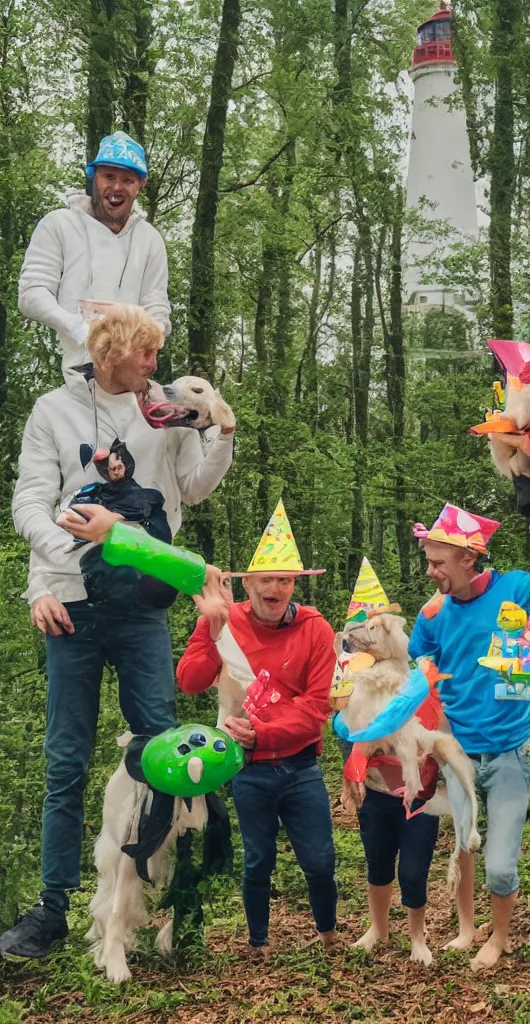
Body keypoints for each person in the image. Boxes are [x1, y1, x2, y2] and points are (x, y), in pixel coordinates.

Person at [0, 303, 233, 959]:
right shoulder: (53, 412)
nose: (157, 366)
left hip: (142, 605)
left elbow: (192, 486)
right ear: (111, 353)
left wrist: (224, 434)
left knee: (162, 756)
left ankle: (167, 906)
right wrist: (42, 585)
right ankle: (50, 914)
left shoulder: (166, 411)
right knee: (65, 762)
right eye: (147, 354)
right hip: (70, 605)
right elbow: (34, 502)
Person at [176, 501, 339, 953]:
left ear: (294, 586)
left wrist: (265, 732)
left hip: (301, 766)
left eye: (285, 580)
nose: (276, 588)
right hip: (247, 767)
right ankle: (258, 943)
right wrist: (212, 628)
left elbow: (316, 706)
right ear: (247, 584)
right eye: (266, 579)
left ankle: (328, 936)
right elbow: (189, 682)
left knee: (320, 861)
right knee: (258, 860)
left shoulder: (316, 629)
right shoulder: (225, 621)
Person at [407, 503, 530, 971]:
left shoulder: (518, 588)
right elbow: (418, 671)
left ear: (469, 558)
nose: (431, 571)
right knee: (465, 845)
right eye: (428, 561)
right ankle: (468, 929)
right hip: (457, 755)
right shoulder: (433, 614)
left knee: (500, 864)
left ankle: (499, 937)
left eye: (438, 562)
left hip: (508, 752)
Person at [337, 558, 443, 965]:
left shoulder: (413, 680)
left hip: (420, 793)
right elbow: (350, 730)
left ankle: (418, 936)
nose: (364, 638)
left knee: (414, 870)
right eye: (362, 631)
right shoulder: (354, 682)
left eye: (373, 631)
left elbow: (429, 729)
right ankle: (378, 929)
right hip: (378, 792)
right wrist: (353, 770)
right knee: (377, 862)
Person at [19, 131, 170, 367]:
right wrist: (76, 327)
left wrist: (155, 333)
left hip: (127, 374)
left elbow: (156, 303)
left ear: (141, 185)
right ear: (94, 177)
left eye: (128, 180)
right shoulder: (58, 224)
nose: (117, 187)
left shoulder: (150, 239)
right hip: (68, 371)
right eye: (109, 176)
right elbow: (31, 293)